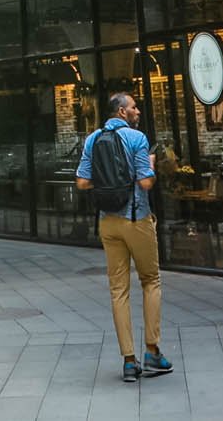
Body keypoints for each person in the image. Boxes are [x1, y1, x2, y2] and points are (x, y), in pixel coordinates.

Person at [76, 92, 173, 382]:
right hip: (136, 219)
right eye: (133, 107)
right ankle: (152, 351)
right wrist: (151, 165)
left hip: (108, 223)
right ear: (121, 111)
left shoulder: (92, 139)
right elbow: (146, 182)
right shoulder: (137, 138)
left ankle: (129, 361)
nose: (138, 111)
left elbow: (82, 182)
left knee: (118, 290)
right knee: (151, 280)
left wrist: (106, 180)